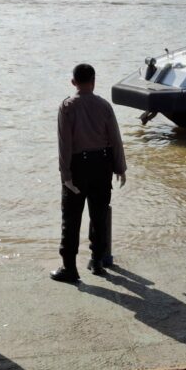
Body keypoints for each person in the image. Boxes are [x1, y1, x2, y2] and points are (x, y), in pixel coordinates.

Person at [52, 63, 127, 282]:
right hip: (102, 164)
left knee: (71, 217)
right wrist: (120, 167)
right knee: (99, 214)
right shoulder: (104, 105)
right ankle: (97, 261)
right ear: (94, 81)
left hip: (78, 166)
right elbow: (115, 138)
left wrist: (65, 175)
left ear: (73, 82)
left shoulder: (67, 107)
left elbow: (64, 144)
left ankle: (69, 268)